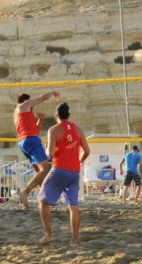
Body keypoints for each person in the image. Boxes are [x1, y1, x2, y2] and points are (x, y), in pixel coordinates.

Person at [38, 102, 90, 245]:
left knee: (42, 202)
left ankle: (48, 234)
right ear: (69, 115)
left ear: (56, 115)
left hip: (60, 170)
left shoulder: (54, 130)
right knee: (73, 206)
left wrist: (48, 148)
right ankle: (74, 240)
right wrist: (78, 161)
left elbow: (49, 154)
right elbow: (87, 151)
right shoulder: (78, 130)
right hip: (74, 172)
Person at [14, 91, 60, 208]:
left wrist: (39, 120)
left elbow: (35, 131)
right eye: (31, 102)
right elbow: (42, 98)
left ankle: (43, 198)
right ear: (26, 100)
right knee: (46, 169)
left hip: (24, 141)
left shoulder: (19, 113)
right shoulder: (24, 105)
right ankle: (25, 192)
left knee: (40, 172)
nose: (33, 105)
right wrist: (52, 92)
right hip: (31, 141)